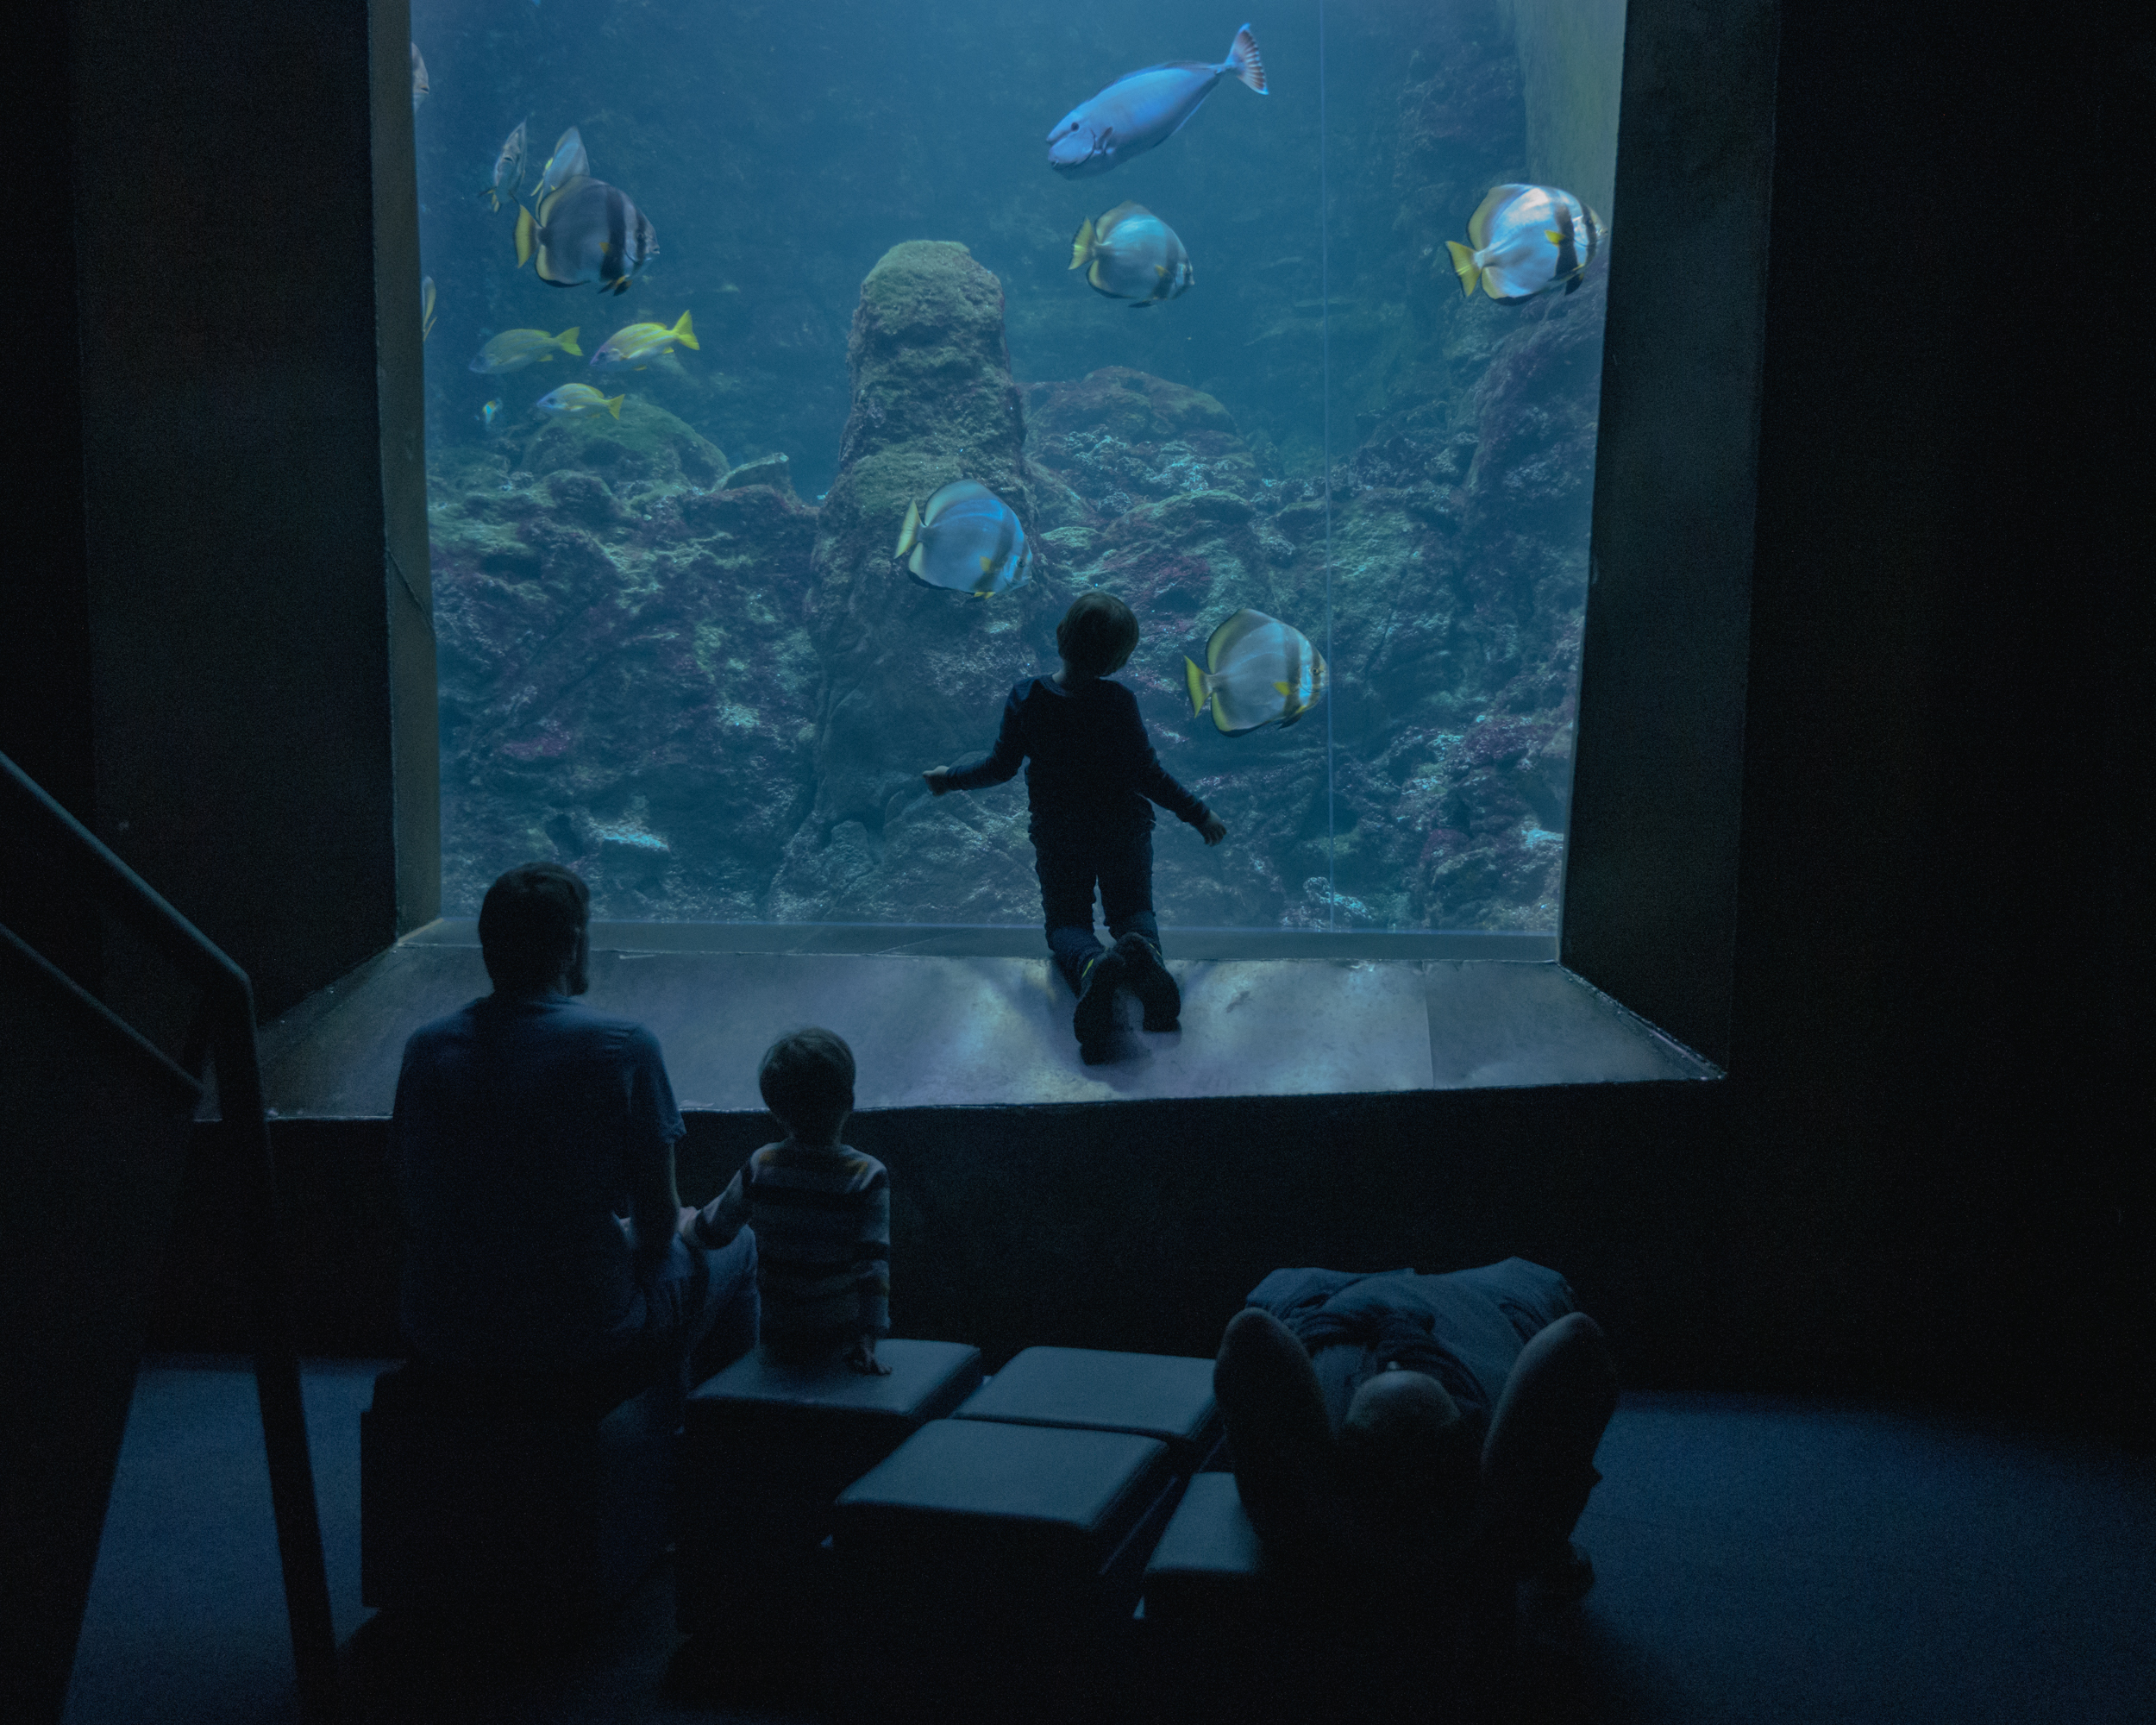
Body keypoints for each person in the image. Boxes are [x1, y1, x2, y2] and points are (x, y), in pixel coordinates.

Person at [389, 862, 757, 1414]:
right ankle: (710, 1432)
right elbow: (658, 1224)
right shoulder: (625, 1046)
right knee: (737, 1243)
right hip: (581, 1334)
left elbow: (412, 1200)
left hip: (441, 1329)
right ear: (569, 946)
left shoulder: (426, 1049)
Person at [1212, 1258, 1618, 1629]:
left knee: (1276, 1290)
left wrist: (1327, 1499)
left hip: (1328, 1299)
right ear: (1471, 1452)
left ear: (1342, 1463)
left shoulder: (1296, 1521)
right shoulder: (1517, 1533)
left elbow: (1250, 1331)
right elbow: (1578, 1336)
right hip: (1479, 1303)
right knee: (1538, 1286)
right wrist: (1499, 1509)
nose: (1391, 1366)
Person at [922, 591, 1228, 1063]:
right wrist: (1199, 813)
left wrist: (950, 778)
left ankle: (1091, 965)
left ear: (1060, 633)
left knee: (1067, 923)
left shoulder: (1026, 698)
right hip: (1124, 829)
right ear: (1120, 661)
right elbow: (1148, 774)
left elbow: (999, 768)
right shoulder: (1120, 702)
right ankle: (1145, 955)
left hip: (1060, 834)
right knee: (1132, 912)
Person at [686, 1027, 892, 1375]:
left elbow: (712, 1232)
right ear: (849, 1100)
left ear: (776, 1111)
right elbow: (874, 1266)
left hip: (777, 1333)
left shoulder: (762, 1165)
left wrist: (681, 1224)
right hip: (839, 1336)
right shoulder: (868, 1175)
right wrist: (868, 1339)